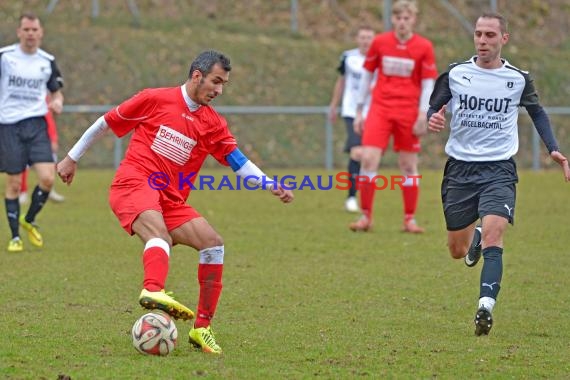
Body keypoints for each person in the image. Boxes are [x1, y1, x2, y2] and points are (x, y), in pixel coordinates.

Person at [57, 50, 294, 354]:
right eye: (216, 81)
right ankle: (153, 290)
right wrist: (71, 158)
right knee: (159, 235)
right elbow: (105, 123)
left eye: (224, 85)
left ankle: (202, 329)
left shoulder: (212, 122)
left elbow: (237, 160)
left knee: (213, 243)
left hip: (170, 198)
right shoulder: (155, 99)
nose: (219, 90)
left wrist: (269, 183)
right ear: (197, 75)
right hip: (134, 183)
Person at [427, 12, 570, 336]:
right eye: (478, 34)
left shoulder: (518, 79)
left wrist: (553, 147)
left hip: (499, 169)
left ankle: (485, 307)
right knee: (457, 251)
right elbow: (434, 106)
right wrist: (432, 118)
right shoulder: (456, 74)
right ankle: (473, 236)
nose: (482, 40)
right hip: (460, 169)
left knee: (496, 235)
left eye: (490, 35)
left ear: (503, 39)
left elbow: (537, 112)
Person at [349, 0, 437, 233]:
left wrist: (423, 114)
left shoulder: (424, 47)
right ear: (393, 20)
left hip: (408, 111)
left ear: (413, 20)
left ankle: (410, 219)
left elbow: (428, 83)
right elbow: (367, 77)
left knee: (408, 165)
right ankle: (365, 216)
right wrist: (359, 111)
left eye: (406, 18)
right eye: (398, 18)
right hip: (380, 108)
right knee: (368, 159)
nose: (402, 22)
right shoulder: (380, 42)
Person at [0, 12, 64, 252]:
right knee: (14, 183)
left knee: (48, 178)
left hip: (37, 125)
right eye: (26, 30)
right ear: (19, 32)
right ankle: (15, 236)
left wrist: (57, 101)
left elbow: (56, 91)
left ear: (41, 33)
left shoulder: (47, 61)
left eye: (34, 30)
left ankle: (29, 219)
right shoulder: (5, 57)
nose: (30, 34)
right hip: (9, 125)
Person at [328, 26, 375, 213]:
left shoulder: (378, 59)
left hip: (373, 112)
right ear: (357, 39)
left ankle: (363, 195)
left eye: (369, 37)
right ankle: (351, 197)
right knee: (357, 153)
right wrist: (333, 105)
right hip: (351, 111)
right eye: (362, 37)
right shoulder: (348, 57)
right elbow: (341, 82)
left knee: (367, 156)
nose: (365, 41)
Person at [20, 103, 66, 205]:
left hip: (43, 141)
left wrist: (53, 139)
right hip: (27, 139)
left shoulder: (44, 101)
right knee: (23, 165)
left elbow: (50, 121)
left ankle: (49, 190)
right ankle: (22, 192)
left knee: (50, 167)